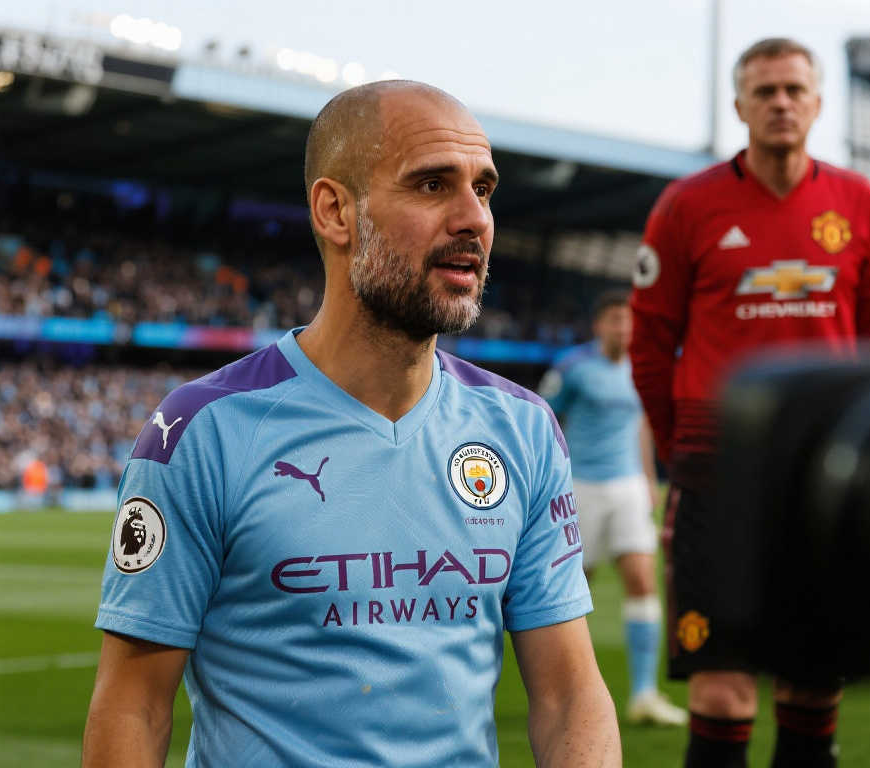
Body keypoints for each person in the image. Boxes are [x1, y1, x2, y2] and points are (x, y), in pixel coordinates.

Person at [82, 80, 621, 768]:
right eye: (432, 185)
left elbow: (569, 696)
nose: (474, 219)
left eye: (483, 190)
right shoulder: (201, 430)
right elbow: (134, 705)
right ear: (336, 211)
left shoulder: (524, 429)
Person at [629, 38, 870, 768]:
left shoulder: (861, 203)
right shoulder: (686, 205)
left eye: (793, 89)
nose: (780, 103)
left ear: (816, 103)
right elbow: (650, 347)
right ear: (740, 106)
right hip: (719, 470)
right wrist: (682, 455)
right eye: (764, 91)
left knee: (814, 683)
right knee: (723, 690)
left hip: (824, 473)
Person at [539, 289, 687, 727]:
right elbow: (542, 420)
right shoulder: (573, 367)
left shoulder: (643, 366)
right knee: (573, 588)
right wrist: (549, 482)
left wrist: (648, 479)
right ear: (599, 325)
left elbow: (640, 425)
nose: (624, 328)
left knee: (642, 578)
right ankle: (568, 693)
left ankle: (644, 694)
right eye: (615, 320)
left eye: (629, 321)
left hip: (627, 487)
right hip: (579, 486)